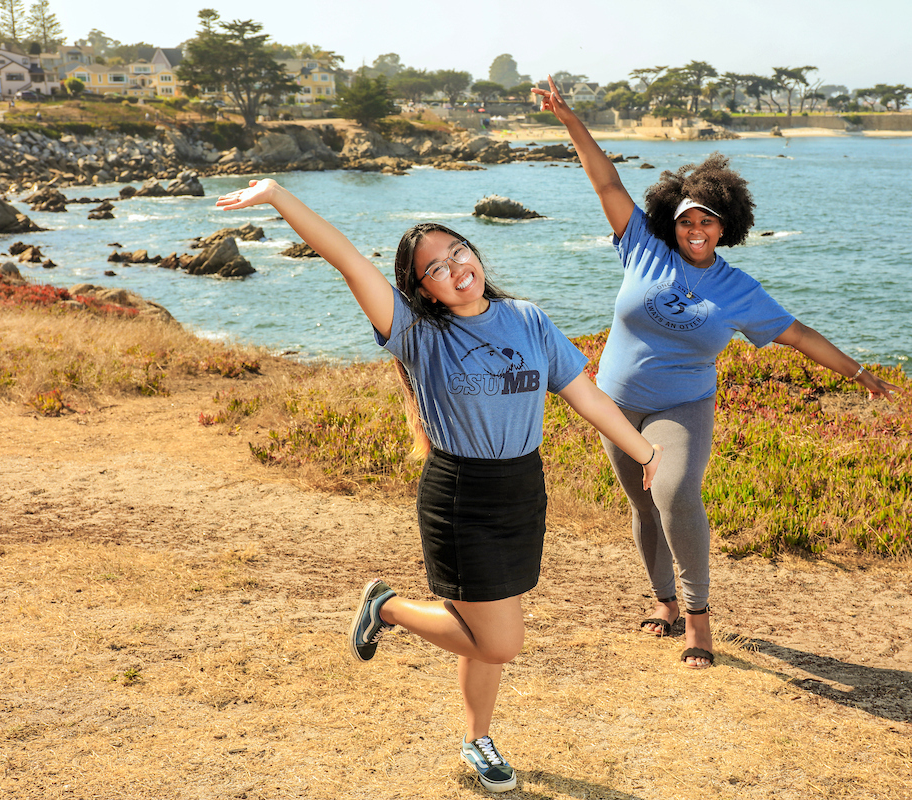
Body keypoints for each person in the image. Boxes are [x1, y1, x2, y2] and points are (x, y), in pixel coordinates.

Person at [216, 178, 663, 792]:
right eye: (434, 269)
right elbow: (346, 258)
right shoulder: (418, 333)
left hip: (522, 490)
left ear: (474, 253)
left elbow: (581, 391)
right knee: (500, 641)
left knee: (482, 632)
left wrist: (643, 449)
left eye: (458, 253)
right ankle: (388, 607)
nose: (454, 269)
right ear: (418, 288)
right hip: (461, 496)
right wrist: (276, 196)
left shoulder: (527, 319)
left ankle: (478, 740)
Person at [533, 77, 901, 669]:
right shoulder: (641, 246)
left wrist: (858, 373)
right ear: (671, 222)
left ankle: (699, 624)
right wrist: (568, 116)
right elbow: (605, 180)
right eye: (685, 221)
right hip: (616, 402)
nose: (695, 230)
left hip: (681, 408)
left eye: (707, 222)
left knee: (675, 491)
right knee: (641, 503)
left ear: (726, 226)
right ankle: (664, 602)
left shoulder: (737, 289)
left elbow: (798, 335)